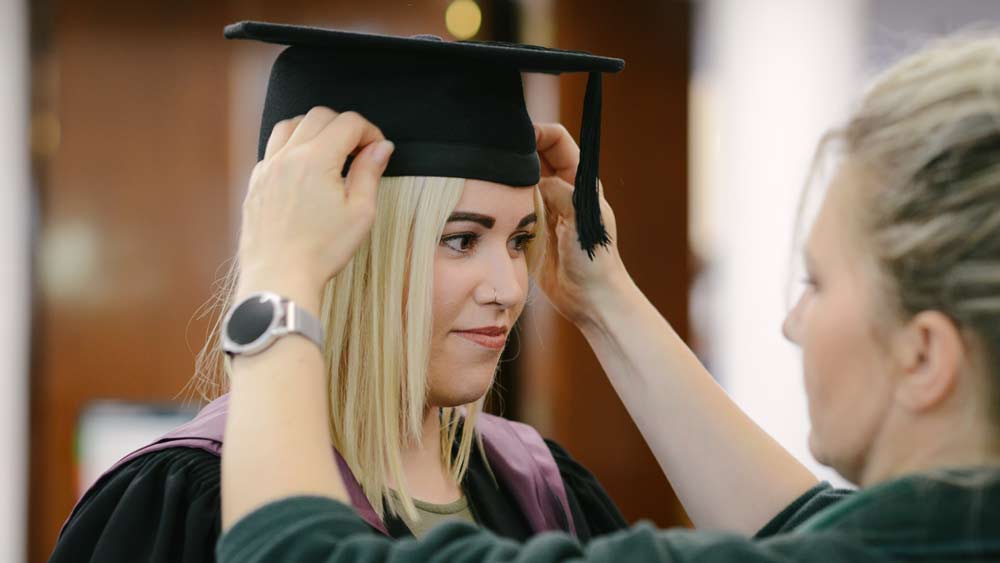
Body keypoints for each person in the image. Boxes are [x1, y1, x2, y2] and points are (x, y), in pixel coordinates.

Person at [217, 31, 1000, 563]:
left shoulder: (537, 484)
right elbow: (810, 530)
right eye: (463, 238)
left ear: (926, 352)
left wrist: (277, 280)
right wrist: (603, 299)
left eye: (818, 283)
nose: (792, 323)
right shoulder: (180, 490)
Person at [48, 22, 630, 563]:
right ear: (350, 249)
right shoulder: (190, 498)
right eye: (460, 239)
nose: (509, 289)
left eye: (519, 240)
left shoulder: (539, 485)